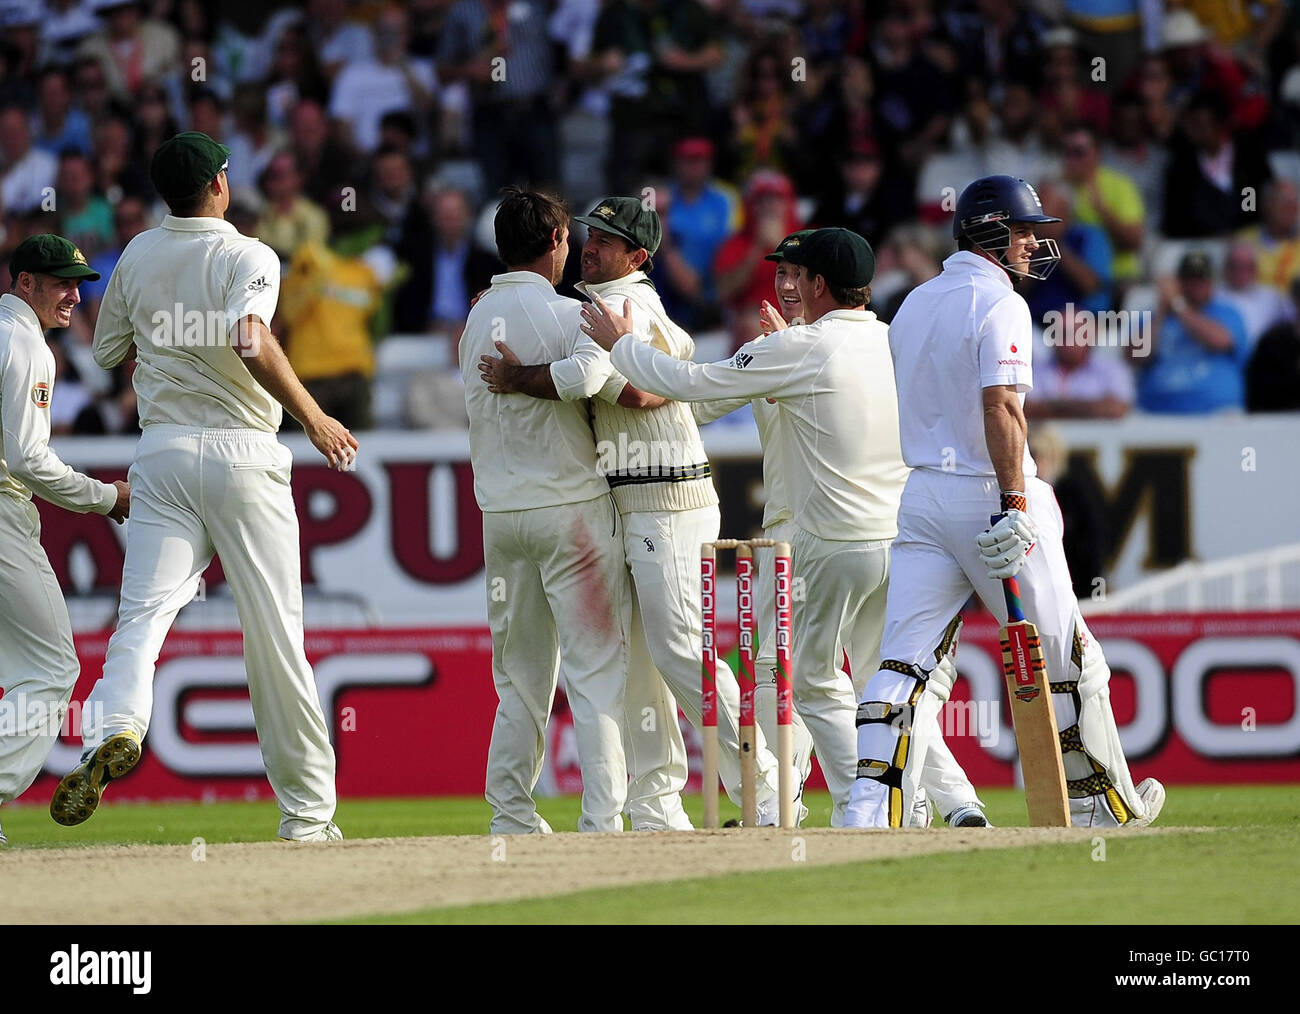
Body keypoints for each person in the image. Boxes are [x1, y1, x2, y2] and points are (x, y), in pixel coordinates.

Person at [582, 227, 979, 827]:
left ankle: (862, 805)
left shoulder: (802, 348)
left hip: (830, 543)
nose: (787, 285)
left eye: (798, 275)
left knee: (810, 682)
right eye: (781, 274)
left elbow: (691, 385)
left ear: (822, 284)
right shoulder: (888, 340)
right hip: (901, 539)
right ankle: (947, 804)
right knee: (885, 684)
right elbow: (706, 403)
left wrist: (624, 349)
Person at [51, 132, 357, 842]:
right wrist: (312, 416)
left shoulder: (135, 254)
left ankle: (117, 724)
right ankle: (307, 819)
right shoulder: (247, 253)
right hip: (244, 451)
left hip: (159, 453)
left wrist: (166, 343)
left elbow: (105, 352)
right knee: (274, 633)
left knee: (142, 618)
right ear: (220, 183)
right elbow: (251, 338)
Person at [842, 175, 1164, 829]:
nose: (1031, 243)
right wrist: (1016, 502)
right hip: (991, 492)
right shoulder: (1001, 303)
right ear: (988, 229)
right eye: (1021, 230)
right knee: (1068, 657)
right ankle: (1103, 806)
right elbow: (1001, 406)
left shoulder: (911, 303)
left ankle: (869, 810)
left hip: (923, 495)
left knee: (903, 660)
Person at [481, 196, 788, 830]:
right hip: (634, 501)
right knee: (643, 668)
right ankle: (655, 805)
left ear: (638, 256)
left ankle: (766, 789)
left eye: (606, 240)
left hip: (667, 500)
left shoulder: (630, 306)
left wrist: (519, 377)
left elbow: (639, 390)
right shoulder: (602, 307)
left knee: (679, 652)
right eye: (588, 236)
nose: (589, 247)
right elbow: (665, 388)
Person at [460, 188, 632, 834]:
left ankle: (510, 815)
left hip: (502, 518)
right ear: (557, 242)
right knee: (593, 669)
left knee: (520, 677)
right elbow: (592, 377)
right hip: (571, 514)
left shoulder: (475, 320)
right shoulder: (569, 316)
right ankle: (602, 818)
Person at [0, 234, 130, 845]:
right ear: (24, 282)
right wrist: (106, 498)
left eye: (78, 283)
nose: (74, 296)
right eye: (59, 283)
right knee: (52, 667)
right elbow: (26, 461)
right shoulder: (26, 343)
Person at [1134, 250, 1249, 414]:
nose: (1196, 286)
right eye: (1189, 280)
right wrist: (1161, 309)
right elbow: (1136, 355)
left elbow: (1220, 341)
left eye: (1202, 280)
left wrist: (1178, 305)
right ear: (1179, 282)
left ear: (1211, 282)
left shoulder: (1227, 312)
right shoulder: (1154, 316)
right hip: (1157, 411)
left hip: (1216, 412)